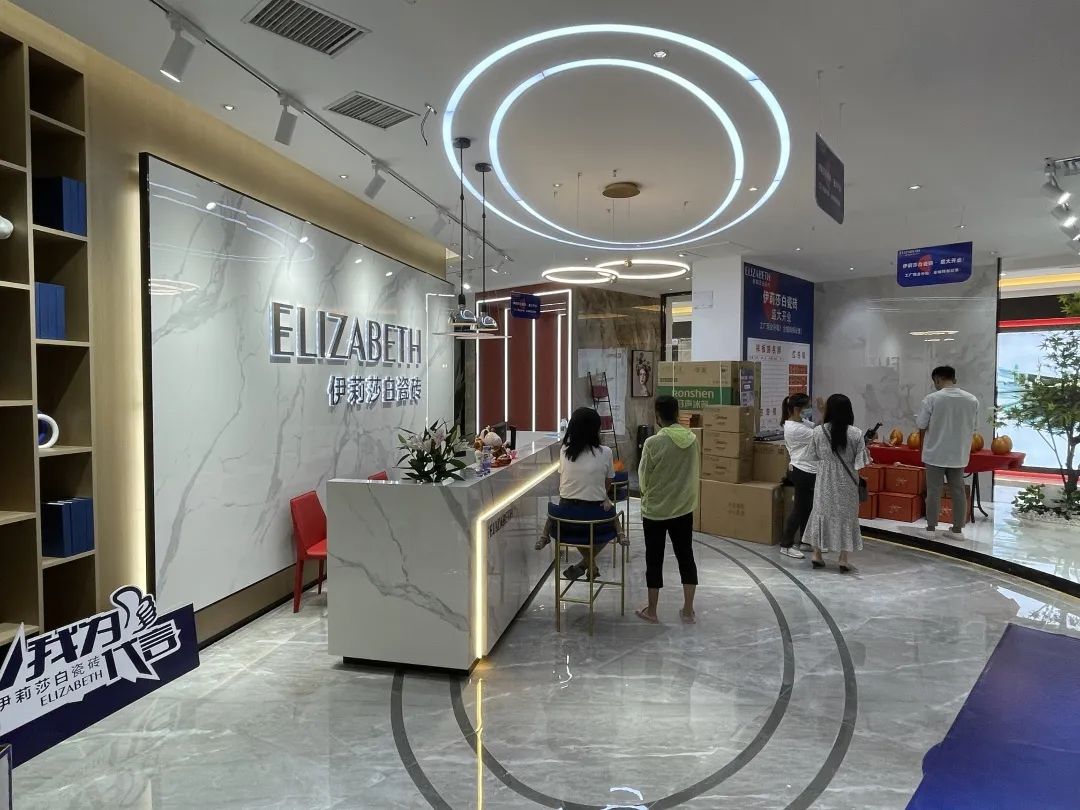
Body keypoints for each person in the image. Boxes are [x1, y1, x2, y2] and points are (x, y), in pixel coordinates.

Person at [536, 407, 624, 580]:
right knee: (609, 520)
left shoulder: (564, 451)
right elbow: (608, 482)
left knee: (580, 525)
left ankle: (585, 565)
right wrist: (600, 495)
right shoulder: (605, 452)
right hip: (595, 521)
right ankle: (588, 564)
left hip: (565, 521)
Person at [635, 395, 700, 624]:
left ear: (657, 415)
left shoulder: (653, 443)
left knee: (654, 559)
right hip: (683, 509)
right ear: (677, 413)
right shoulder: (692, 440)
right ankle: (688, 610)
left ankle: (652, 611)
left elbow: (643, 477)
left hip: (655, 511)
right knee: (686, 556)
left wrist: (648, 494)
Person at [802, 394, 870, 572]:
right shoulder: (856, 434)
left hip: (824, 481)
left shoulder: (818, 431)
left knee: (820, 513)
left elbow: (812, 455)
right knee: (846, 517)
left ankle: (817, 554)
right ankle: (843, 559)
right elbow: (861, 463)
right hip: (847, 483)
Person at [916, 365, 980, 540]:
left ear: (937, 379)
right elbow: (974, 427)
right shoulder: (972, 400)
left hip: (935, 453)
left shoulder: (932, 399)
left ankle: (931, 529)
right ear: (954, 379)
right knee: (958, 491)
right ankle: (957, 530)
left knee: (933, 491)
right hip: (959, 454)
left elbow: (921, 424)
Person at [779, 393, 816, 560]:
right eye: (808, 407)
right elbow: (821, 435)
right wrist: (825, 413)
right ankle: (786, 545)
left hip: (810, 469)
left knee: (807, 507)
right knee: (800, 508)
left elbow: (817, 427)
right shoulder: (794, 429)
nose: (810, 409)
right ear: (796, 409)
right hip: (801, 470)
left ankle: (804, 541)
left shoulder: (803, 422)